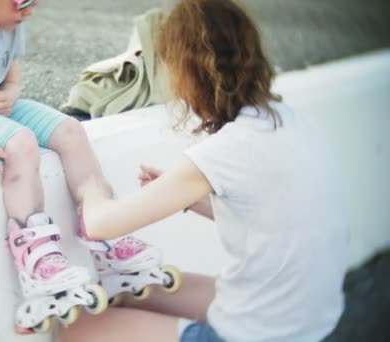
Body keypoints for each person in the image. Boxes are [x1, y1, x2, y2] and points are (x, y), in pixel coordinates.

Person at [62, 0, 349, 341]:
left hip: (261, 333)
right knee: (133, 290)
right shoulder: (288, 121)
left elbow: (100, 225)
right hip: (309, 323)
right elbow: (274, 218)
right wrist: (186, 197)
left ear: (189, 71)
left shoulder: (227, 149)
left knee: (78, 330)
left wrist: (91, 187)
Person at [0, 0, 175, 333]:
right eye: (20, 0)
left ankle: (106, 228)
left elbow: (12, 83)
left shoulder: (11, 25)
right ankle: (36, 261)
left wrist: (10, 95)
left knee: (71, 131)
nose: (28, 7)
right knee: (21, 143)